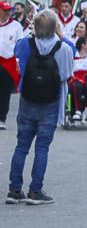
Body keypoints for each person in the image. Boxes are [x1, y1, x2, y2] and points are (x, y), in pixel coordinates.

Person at [5, 11, 73, 205]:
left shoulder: (27, 44)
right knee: (41, 148)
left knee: (21, 146)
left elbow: (15, 51)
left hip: (27, 100)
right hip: (50, 103)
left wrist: (30, 31)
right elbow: (66, 74)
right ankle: (35, 191)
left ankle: (14, 189)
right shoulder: (63, 48)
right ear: (54, 27)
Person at [0, 0, 25, 130]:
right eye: (4, 10)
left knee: (4, 92)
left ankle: (2, 118)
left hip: (8, 62)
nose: (7, 13)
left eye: (9, 10)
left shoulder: (16, 26)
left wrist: (18, 63)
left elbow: (20, 44)